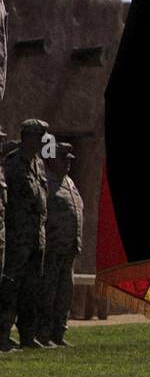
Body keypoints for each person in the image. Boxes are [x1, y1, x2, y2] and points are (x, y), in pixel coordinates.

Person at [0, 120, 50, 350]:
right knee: (11, 288)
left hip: (36, 238)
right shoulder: (13, 163)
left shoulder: (38, 163)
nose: (42, 140)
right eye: (38, 136)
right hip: (17, 238)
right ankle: (3, 334)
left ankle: (28, 336)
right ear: (26, 136)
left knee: (32, 289)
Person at [39, 142, 82, 348]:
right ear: (52, 159)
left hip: (69, 249)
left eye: (69, 160)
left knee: (65, 292)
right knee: (48, 292)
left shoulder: (69, 182)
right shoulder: (46, 182)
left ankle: (59, 332)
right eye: (63, 159)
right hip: (52, 248)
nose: (67, 163)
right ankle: (44, 333)